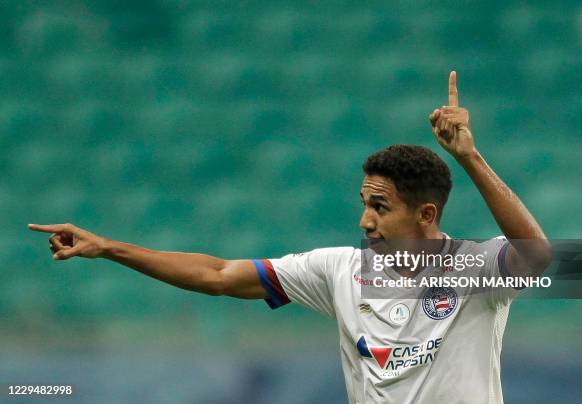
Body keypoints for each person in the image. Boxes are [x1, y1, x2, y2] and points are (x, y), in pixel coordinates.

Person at [29, 71, 551, 403]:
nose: (364, 221)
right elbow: (218, 275)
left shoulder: (471, 268)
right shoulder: (340, 270)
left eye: (379, 207)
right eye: (364, 204)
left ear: (426, 213)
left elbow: (539, 256)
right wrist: (110, 248)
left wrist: (469, 156)